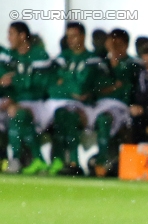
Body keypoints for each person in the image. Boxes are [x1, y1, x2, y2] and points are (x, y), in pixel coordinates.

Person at [47, 22, 104, 176]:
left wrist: (64, 81)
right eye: (68, 36)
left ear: (83, 36)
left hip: (85, 105)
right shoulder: (62, 57)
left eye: (74, 36)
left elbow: (83, 87)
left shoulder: (92, 59)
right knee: (61, 115)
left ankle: (73, 162)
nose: (70, 39)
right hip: (60, 103)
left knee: (69, 116)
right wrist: (71, 87)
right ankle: (61, 161)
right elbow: (51, 85)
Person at [2, 21, 52, 175]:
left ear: (22, 35)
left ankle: (16, 160)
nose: (8, 38)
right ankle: (38, 160)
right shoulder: (10, 56)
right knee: (16, 113)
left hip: (38, 103)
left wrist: (15, 80)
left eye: (11, 33)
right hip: (15, 103)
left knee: (19, 114)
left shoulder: (39, 55)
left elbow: (38, 84)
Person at [89, 28, 140, 176]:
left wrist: (111, 88)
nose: (114, 48)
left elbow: (127, 88)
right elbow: (96, 87)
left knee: (105, 120)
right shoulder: (100, 64)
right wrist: (113, 86)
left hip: (122, 108)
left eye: (118, 44)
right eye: (111, 44)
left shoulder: (133, 65)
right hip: (98, 106)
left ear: (125, 45)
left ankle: (102, 163)